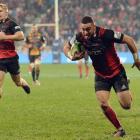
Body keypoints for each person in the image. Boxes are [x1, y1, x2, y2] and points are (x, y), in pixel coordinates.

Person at [63, 16, 140, 137]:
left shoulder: (106, 34)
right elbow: (66, 47)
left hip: (117, 73)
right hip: (100, 75)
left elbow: (129, 40)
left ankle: (126, 87)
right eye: (83, 29)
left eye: (88, 29)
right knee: (103, 103)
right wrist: (71, 57)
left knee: (126, 106)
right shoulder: (79, 37)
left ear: (94, 26)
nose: (85, 32)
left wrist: (136, 59)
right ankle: (120, 129)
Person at [0, 3, 30, 97]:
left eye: (0, 11)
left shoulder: (11, 23)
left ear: (6, 12)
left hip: (11, 58)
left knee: (17, 81)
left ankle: (23, 83)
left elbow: (21, 36)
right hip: (0, 58)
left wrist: (5, 37)